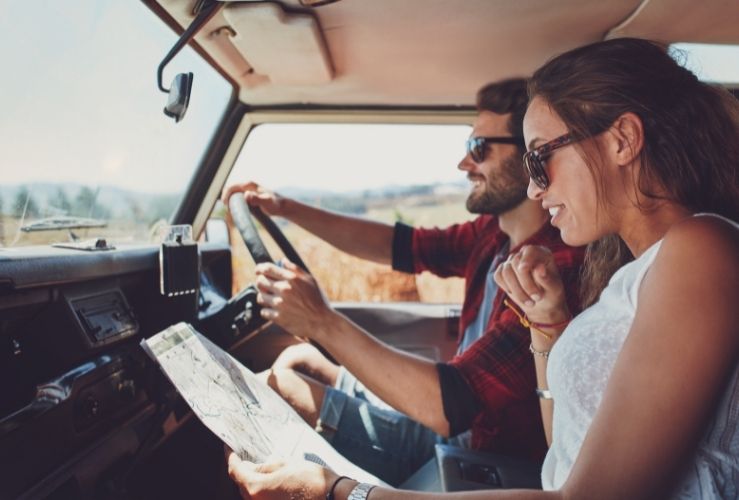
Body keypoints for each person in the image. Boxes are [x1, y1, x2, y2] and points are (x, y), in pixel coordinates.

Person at [226, 37, 739, 499]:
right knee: (291, 369)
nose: (537, 189)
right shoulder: (625, 267)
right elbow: (565, 446)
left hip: (482, 452)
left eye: (542, 158)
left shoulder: (698, 248)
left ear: (622, 140)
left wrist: (342, 493)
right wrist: (549, 325)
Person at [223, 79, 585, 485]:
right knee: (294, 361)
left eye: (478, 149)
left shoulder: (551, 269)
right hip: (455, 421)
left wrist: (321, 320)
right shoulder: (492, 235)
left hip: (473, 449)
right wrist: (285, 207)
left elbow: (452, 408)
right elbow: (397, 245)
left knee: (274, 388)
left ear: (528, 158)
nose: (465, 165)